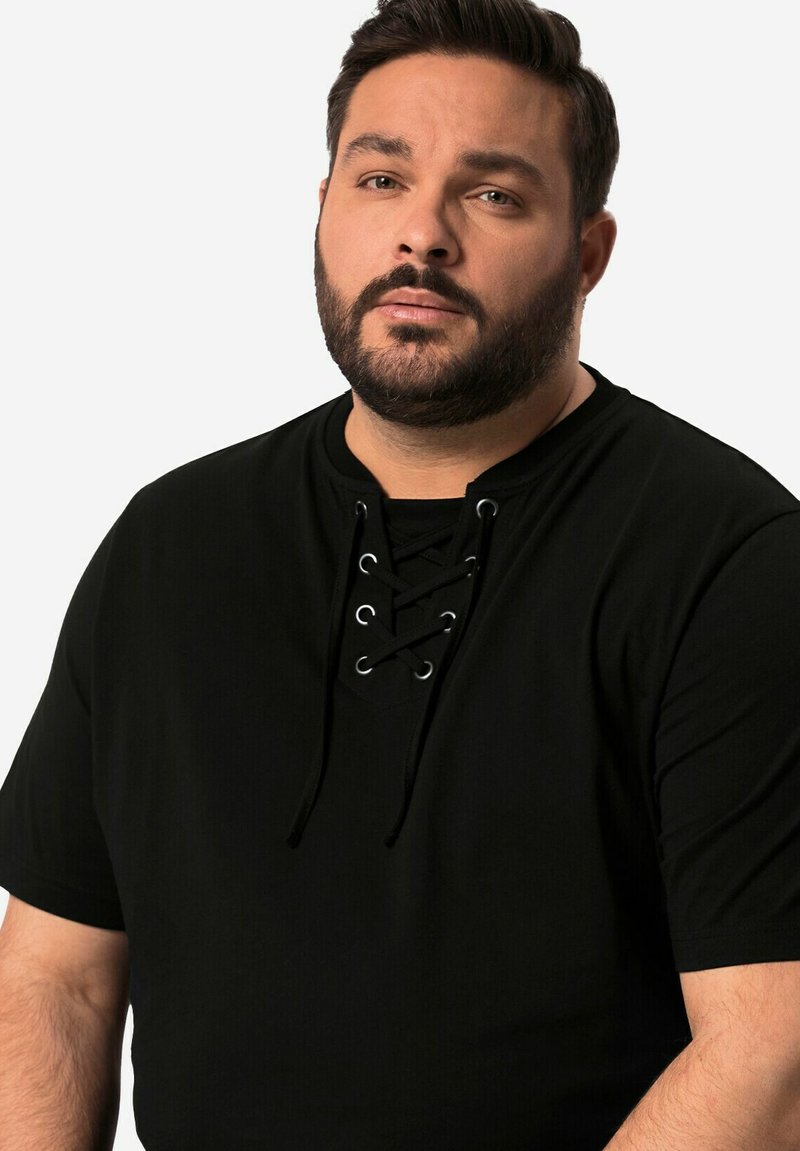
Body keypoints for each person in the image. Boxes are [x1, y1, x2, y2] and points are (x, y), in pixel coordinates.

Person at [1, 0, 799, 1147]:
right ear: (323, 208)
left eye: (492, 193)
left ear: (586, 252)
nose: (421, 234)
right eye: (380, 180)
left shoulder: (727, 559)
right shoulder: (168, 545)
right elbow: (56, 977)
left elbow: (771, 1047)